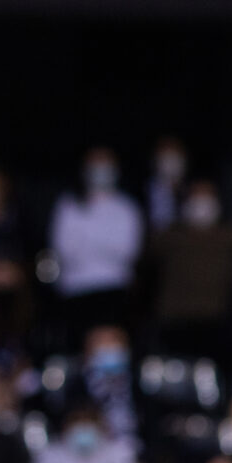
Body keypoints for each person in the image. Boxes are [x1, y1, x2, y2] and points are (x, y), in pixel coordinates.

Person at [50, 147, 143, 347]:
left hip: (115, 288)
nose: (101, 171)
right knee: (78, 346)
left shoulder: (127, 208)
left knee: (111, 343)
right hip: (75, 289)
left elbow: (128, 252)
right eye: (95, 165)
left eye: (106, 165)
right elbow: (64, 250)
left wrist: (87, 241)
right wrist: (105, 244)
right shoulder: (68, 205)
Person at [147, 181, 232, 359]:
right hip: (175, 320)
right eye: (196, 197)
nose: (201, 203)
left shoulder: (231, 237)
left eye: (207, 197)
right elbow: (149, 255)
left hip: (217, 319)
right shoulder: (170, 236)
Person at [76, 326, 139, 443]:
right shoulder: (74, 387)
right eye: (102, 345)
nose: (108, 350)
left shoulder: (140, 383)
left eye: (113, 343)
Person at [145, 137, 189, 233]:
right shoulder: (143, 192)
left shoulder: (194, 190)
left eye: (175, 155)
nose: (170, 161)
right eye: (166, 155)